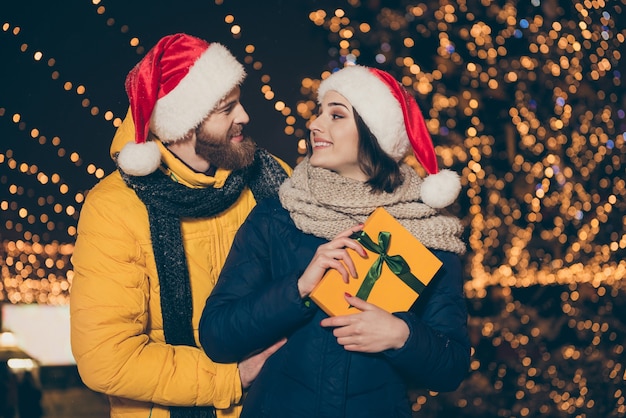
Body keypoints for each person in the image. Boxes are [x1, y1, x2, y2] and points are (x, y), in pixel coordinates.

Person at [199, 65, 471, 418]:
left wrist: (401, 335)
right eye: (319, 112)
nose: (315, 124)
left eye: (336, 115)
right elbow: (217, 336)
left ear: (374, 132)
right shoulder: (278, 216)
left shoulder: (426, 229)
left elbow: (452, 366)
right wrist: (297, 290)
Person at [69, 33, 291, 418]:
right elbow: (106, 358)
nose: (245, 117)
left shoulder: (273, 179)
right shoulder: (115, 208)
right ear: (183, 125)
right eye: (227, 109)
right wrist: (232, 378)